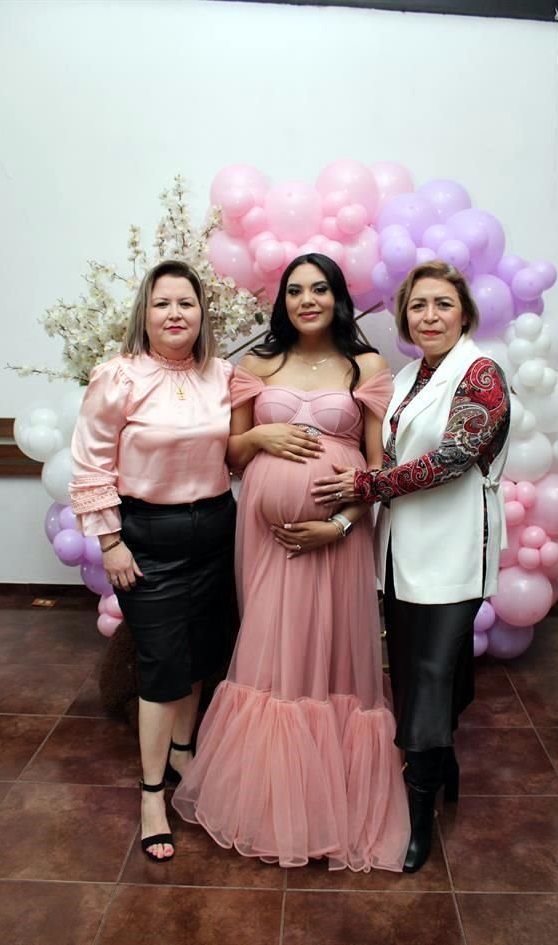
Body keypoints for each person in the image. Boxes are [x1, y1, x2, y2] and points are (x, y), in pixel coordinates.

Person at [173, 253, 410, 871]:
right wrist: (261, 439)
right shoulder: (257, 364)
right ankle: (266, 800)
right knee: (272, 652)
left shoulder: (366, 365)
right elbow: (229, 454)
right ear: (283, 300)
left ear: (337, 298)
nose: (308, 299)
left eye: (321, 289)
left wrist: (337, 524)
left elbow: (379, 468)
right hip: (267, 537)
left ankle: (329, 801)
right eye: (296, 290)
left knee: (328, 655)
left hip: (339, 539)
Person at [312, 260, 510, 872]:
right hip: (399, 552)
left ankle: (417, 813)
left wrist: (367, 484)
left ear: (464, 313)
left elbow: (453, 456)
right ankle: (442, 759)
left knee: (427, 674)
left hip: (453, 548)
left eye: (442, 304)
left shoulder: (480, 373)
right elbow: (384, 447)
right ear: (405, 318)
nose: (429, 316)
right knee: (415, 666)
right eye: (418, 306)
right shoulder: (405, 378)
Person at [69, 259, 237, 863]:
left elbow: (239, 449)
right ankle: (149, 794)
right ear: (146, 312)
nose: (175, 314)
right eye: (163, 303)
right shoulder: (117, 377)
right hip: (147, 538)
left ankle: (184, 754)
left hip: (217, 532)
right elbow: (90, 462)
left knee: (199, 656)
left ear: (201, 314)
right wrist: (110, 542)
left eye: (186, 304)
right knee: (162, 664)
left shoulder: (224, 376)